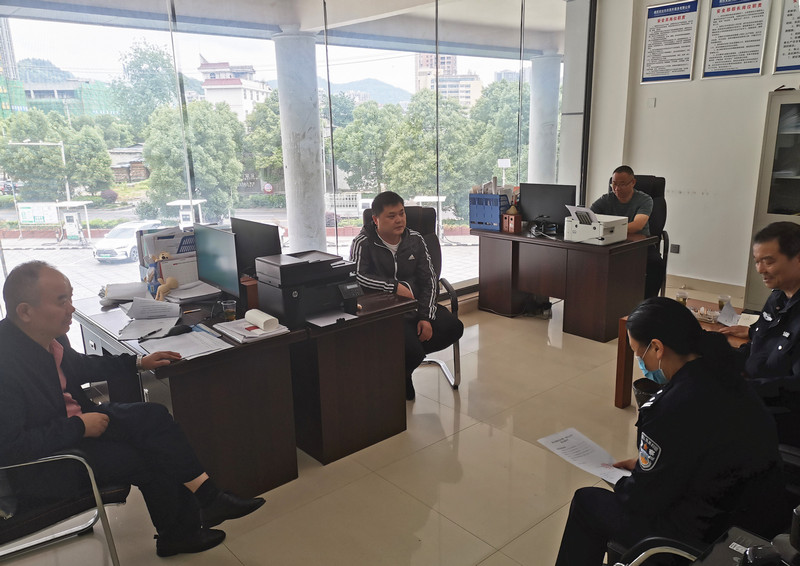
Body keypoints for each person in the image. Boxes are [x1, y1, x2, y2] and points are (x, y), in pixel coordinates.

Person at [0, 261, 265, 557]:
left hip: (76, 427)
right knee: (151, 455)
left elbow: (80, 366)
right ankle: (187, 527)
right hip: (51, 463)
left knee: (155, 419)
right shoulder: (5, 365)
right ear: (25, 311)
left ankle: (206, 502)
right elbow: (11, 448)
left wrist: (137, 362)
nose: (71, 308)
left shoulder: (47, 336)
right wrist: (80, 427)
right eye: (62, 301)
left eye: (71, 298)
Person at [555, 297, 785, 566]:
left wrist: (624, 480)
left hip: (700, 536)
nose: (639, 361)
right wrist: (649, 464)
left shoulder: (670, 406)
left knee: (587, 502)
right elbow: (699, 450)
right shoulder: (727, 374)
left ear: (657, 348)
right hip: (751, 523)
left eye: (638, 353)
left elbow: (642, 499)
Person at [350, 191, 464, 401]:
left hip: (417, 306)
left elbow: (429, 280)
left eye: (401, 213)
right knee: (412, 352)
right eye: (391, 216)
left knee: (454, 328)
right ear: (376, 219)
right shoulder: (363, 242)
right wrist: (393, 287)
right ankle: (404, 367)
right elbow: (357, 276)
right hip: (387, 313)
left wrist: (425, 317)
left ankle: (402, 368)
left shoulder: (415, 240)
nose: (399, 220)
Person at [721, 221, 800, 445]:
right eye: (757, 261)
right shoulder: (778, 297)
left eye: (769, 261)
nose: (760, 270)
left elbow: (795, 388)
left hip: (784, 413)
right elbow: (758, 347)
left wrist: (742, 389)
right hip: (755, 393)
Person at [590, 165, 664, 298]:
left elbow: (637, 225)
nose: (617, 188)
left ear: (633, 182)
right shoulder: (606, 199)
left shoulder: (645, 199)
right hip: (612, 243)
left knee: (656, 264)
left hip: (640, 244)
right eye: (614, 184)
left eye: (622, 184)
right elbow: (589, 216)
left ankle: (648, 302)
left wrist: (609, 229)